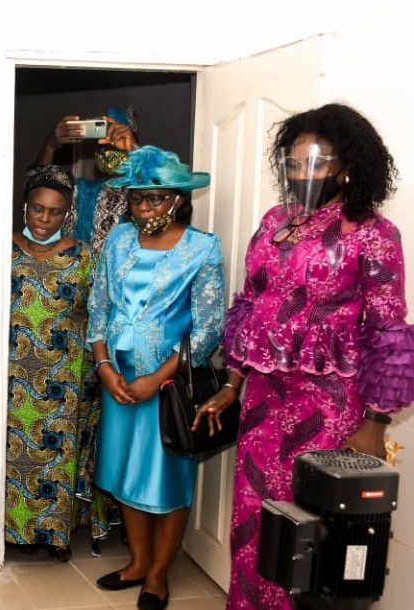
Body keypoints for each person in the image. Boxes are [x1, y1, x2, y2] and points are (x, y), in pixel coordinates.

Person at [193, 103, 414, 610]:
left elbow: (387, 329)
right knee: (255, 518)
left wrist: (376, 423)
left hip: (330, 406)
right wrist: (231, 384)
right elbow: (250, 306)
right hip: (263, 401)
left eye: (315, 162)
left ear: (347, 165)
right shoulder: (276, 221)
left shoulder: (373, 233)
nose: (301, 173)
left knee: (315, 532)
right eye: (293, 163)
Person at [87, 146, 226, 610]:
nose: (144, 208)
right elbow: (99, 305)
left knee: (166, 477)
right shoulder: (119, 239)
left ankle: (159, 574)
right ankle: (138, 562)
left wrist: (157, 378)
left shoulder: (202, 248)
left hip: (168, 384)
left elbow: (207, 329)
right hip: (119, 378)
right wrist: (105, 367)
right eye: (137, 198)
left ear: (178, 199)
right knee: (123, 469)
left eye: (155, 198)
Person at [6, 165, 113, 561]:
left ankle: (55, 537)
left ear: (66, 214)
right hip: (13, 373)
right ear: (25, 208)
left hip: (67, 376)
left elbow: (100, 313)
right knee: (14, 453)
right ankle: (12, 531)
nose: (44, 219)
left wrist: (102, 364)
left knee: (58, 456)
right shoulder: (3, 250)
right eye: (38, 209)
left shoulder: (84, 255)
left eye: (55, 212)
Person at [28, 108, 140, 251]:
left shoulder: (140, 196)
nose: (109, 152)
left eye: (117, 145)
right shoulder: (82, 191)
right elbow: (39, 185)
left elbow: (157, 189)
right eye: (104, 144)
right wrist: (50, 146)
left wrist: (134, 150)